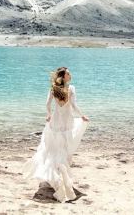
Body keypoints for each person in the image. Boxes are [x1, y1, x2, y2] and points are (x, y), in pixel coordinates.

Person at [21, 66, 90, 203]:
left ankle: (56, 177)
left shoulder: (54, 89)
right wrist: (82, 116)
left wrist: (48, 114)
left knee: (52, 150)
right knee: (63, 151)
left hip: (55, 122)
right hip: (67, 123)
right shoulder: (71, 89)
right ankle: (60, 179)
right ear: (64, 76)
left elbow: (47, 104)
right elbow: (74, 106)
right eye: (68, 73)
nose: (70, 75)